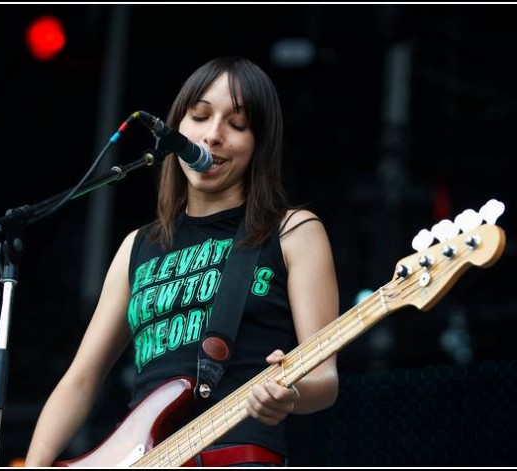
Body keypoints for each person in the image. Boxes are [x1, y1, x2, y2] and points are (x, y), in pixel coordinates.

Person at [25, 56, 339, 467]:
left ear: (258, 144)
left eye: (237, 125)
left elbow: (325, 378)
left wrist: (291, 394)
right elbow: (81, 381)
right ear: (175, 130)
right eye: (200, 116)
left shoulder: (293, 232)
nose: (213, 135)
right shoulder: (137, 246)